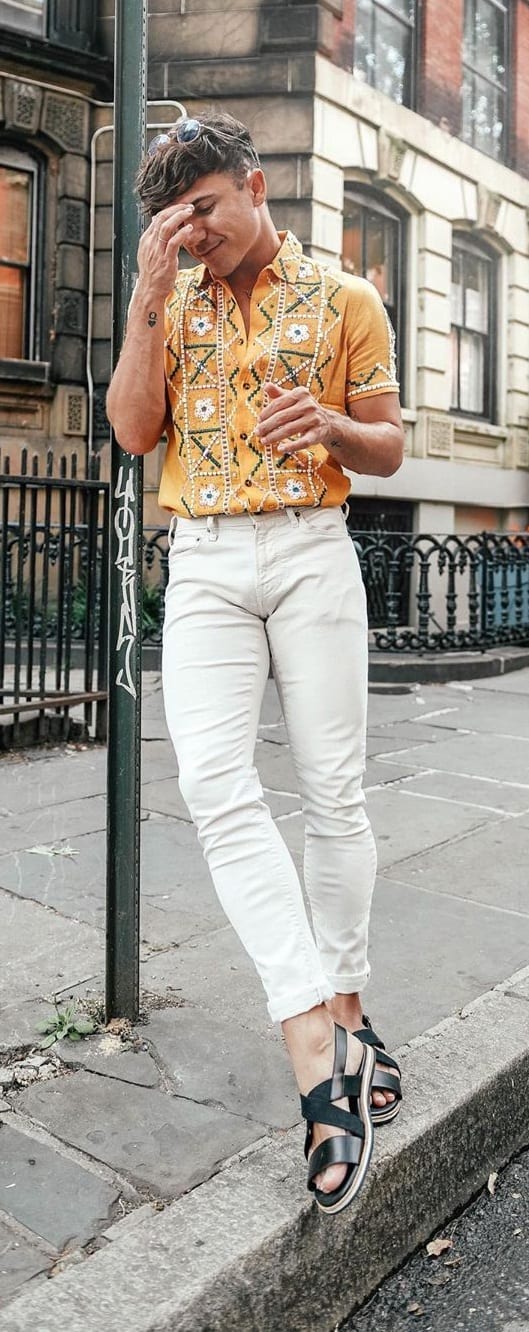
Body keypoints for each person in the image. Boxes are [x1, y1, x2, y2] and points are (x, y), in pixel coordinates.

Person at [106, 111, 404, 1216]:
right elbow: (136, 433)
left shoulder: (344, 297)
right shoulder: (167, 297)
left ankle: (350, 1010)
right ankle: (316, 1046)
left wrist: (326, 422)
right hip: (209, 563)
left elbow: (387, 444)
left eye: (207, 212)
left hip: (312, 552)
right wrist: (145, 291)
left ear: (255, 184)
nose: (196, 237)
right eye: (175, 223)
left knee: (332, 794)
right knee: (215, 787)